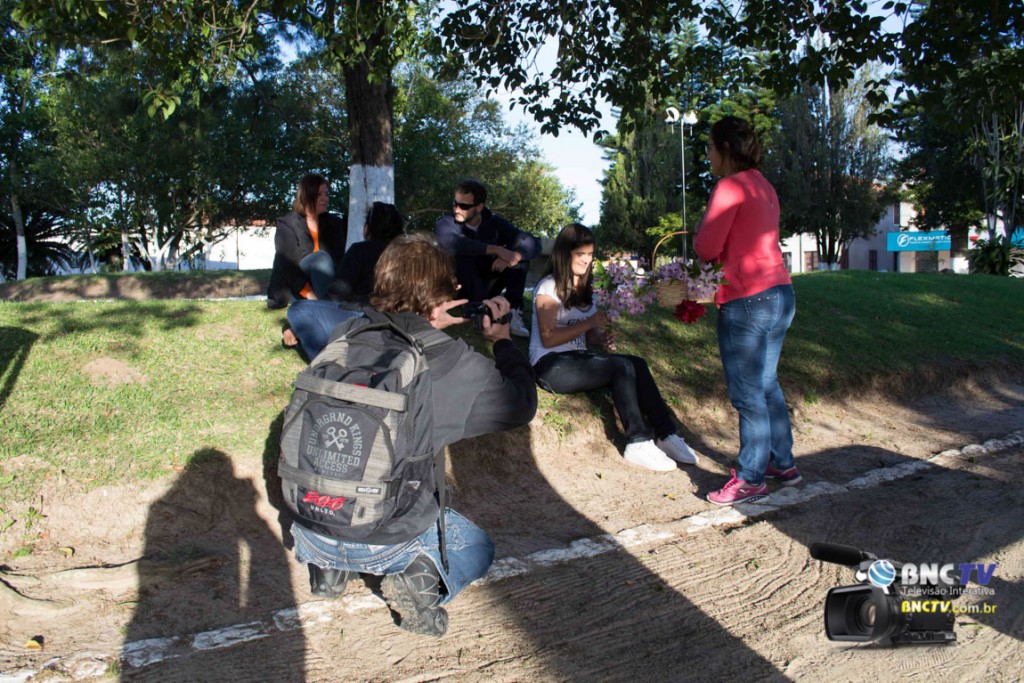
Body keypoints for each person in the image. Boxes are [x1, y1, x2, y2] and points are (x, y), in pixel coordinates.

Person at [289, 233, 538, 637]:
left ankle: (330, 569)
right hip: (385, 538)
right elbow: (522, 404)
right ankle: (419, 579)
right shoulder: (455, 363)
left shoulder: (344, 335)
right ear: (444, 296)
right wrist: (503, 343)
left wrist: (431, 320)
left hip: (311, 524)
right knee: (476, 547)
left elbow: (398, 331)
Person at [529, 223, 698, 472]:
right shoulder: (548, 287)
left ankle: (666, 434)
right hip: (550, 365)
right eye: (580, 254)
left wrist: (598, 339)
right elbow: (549, 338)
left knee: (636, 364)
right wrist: (590, 322)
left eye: (590, 254)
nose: (586, 260)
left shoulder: (587, 289)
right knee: (621, 366)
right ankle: (637, 441)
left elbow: (584, 337)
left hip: (577, 357)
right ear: (564, 254)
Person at [693, 115, 800, 506]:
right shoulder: (763, 185)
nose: (707, 155)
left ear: (725, 149)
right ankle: (781, 462)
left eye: (709, 147)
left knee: (748, 393)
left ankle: (751, 478)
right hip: (780, 292)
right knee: (767, 384)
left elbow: (706, 248)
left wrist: (701, 237)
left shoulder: (729, 186)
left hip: (747, 299)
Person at [284, 202, 404, 359]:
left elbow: (338, 293)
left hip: (363, 318)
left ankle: (324, 360)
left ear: (367, 228)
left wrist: (299, 326)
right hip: (400, 324)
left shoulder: (361, 250)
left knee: (297, 310)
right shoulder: (410, 255)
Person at [434, 179, 541, 337]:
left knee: (519, 256)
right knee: (464, 254)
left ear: (479, 207)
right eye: (455, 203)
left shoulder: (495, 223)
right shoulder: (445, 223)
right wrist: (496, 250)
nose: (457, 209)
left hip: (489, 281)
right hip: (461, 286)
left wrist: (514, 256)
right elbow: (451, 243)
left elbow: (532, 241)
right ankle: (478, 309)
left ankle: (513, 312)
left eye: (464, 206)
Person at [267, 173, 348, 309]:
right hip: (298, 285)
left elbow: (339, 259)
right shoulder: (287, 223)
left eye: (326, 194)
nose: (325, 198)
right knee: (320, 258)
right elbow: (287, 264)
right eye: (319, 194)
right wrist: (311, 295)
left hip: (326, 284)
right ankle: (328, 307)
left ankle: (332, 305)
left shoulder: (334, 223)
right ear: (307, 195)